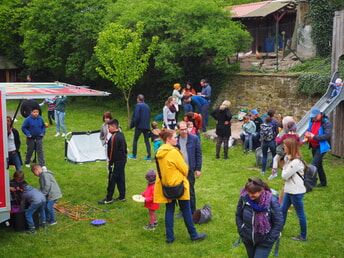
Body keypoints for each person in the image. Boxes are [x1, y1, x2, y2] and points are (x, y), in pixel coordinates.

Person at [154, 129, 207, 243]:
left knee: (169, 210)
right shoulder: (173, 152)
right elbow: (185, 169)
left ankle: (170, 237)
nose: (177, 138)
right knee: (186, 210)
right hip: (179, 185)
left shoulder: (159, 151)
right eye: (174, 137)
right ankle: (194, 235)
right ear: (168, 139)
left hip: (167, 186)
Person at [236, 177, 283, 258]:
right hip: (248, 238)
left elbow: (279, 222)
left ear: (261, 191)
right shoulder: (244, 198)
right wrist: (241, 231)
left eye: (253, 194)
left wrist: (270, 239)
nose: (250, 196)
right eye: (248, 193)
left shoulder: (271, 201)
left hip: (265, 240)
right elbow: (238, 215)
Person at [281, 137, 307, 241]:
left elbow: (284, 175)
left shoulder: (296, 162)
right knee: (282, 210)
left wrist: (284, 166)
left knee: (300, 214)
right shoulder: (289, 158)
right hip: (289, 190)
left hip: (296, 191)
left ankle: (303, 236)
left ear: (290, 147)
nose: (283, 147)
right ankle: (278, 229)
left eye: (285, 146)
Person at [98, 119, 128, 204]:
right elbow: (125, 148)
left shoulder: (114, 137)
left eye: (109, 127)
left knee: (112, 179)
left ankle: (109, 198)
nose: (108, 129)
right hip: (122, 160)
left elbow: (112, 152)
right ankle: (122, 196)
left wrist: (110, 162)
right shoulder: (121, 134)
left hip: (116, 162)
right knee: (121, 178)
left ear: (113, 127)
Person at [176, 121, 202, 215]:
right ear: (178, 129)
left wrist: (198, 169)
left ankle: (192, 210)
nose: (184, 131)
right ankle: (182, 210)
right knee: (179, 190)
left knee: (190, 190)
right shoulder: (175, 140)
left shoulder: (194, 139)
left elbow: (198, 154)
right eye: (182, 129)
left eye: (185, 129)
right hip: (178, 171)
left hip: (190, 169)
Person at [303, 108, 331, 187]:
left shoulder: (326, 123)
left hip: (321, 147)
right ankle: (323, 183)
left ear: (320, 114)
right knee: (319, 165)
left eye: (315, 117)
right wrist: (307, 135)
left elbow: (326, 136)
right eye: (313, 117)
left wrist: (314, 136)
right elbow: (309, 130)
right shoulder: (312, 120)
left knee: (313, 165)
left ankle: (308, 185)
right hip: (314, 145)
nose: (314, 118)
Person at [129, 94, 151, 160]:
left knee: (135, 140)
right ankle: (149, 155)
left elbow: (137, 116)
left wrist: (133, 124)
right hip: (146, 126)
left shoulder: (138, 105)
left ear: (138, 99)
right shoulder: (147, 106)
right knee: (147, 140)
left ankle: (134, 154)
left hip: (139, 126)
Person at [260, 110, 279, 175]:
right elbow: (276, 133)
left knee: (264, 155)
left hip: (264, 141)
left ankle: (263, 171)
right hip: (271, 141)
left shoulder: (264, 121)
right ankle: (274, 171)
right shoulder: (274, 123)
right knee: (274, 156)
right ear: (273, 114)